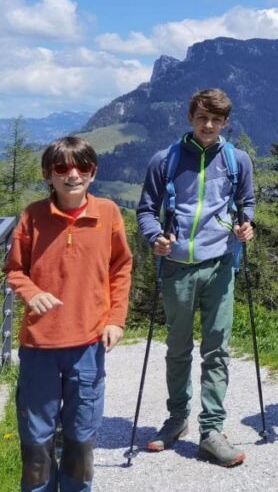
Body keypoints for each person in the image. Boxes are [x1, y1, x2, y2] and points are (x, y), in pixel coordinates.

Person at [4, 136, 133, 492]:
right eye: (61, 167)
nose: (72, 174)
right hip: (39, 349)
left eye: (82, 167)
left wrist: (115, 319)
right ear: (49, 175)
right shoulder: (32, 216)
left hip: (88, 347)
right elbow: (14, 270)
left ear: (93, 172)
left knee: (80, 438)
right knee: (36, 440)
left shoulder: (108, 213)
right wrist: (31, 293)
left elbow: (121, 267)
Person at [136, 88, 255, 467]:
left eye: (216, 120)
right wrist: (156, 238)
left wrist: (246, 225)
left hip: (220, 266)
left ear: (225, 123)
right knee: (178, 349)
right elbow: (146, 210)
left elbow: (246, 204)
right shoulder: (165, 160)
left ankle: (212, 430)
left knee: (217, 349)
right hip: (176, 268)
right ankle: (176, 420)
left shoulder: (238, 161)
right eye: (202, 117)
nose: (208, 125)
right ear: (190, 117)